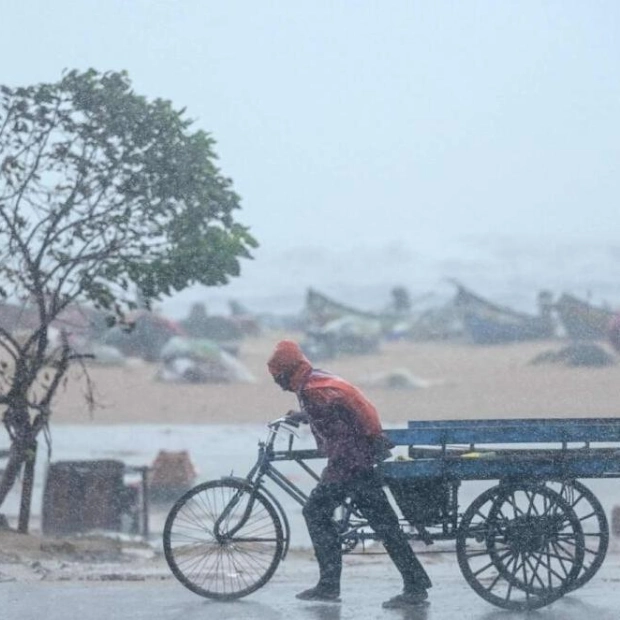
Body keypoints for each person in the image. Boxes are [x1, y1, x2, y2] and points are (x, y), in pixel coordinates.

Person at [267, 340, 432, 608]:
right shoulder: (316, 380)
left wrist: (332, 476)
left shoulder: (312, 392)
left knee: (316, 512)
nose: (280, 386)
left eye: (278, 379)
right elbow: (339, 412)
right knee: (385, 525)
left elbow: (342, 440)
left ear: (287, 372)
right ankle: (414, 583)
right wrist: (303, 415)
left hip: (353, 464)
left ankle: (329, 585)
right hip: (363, 456)